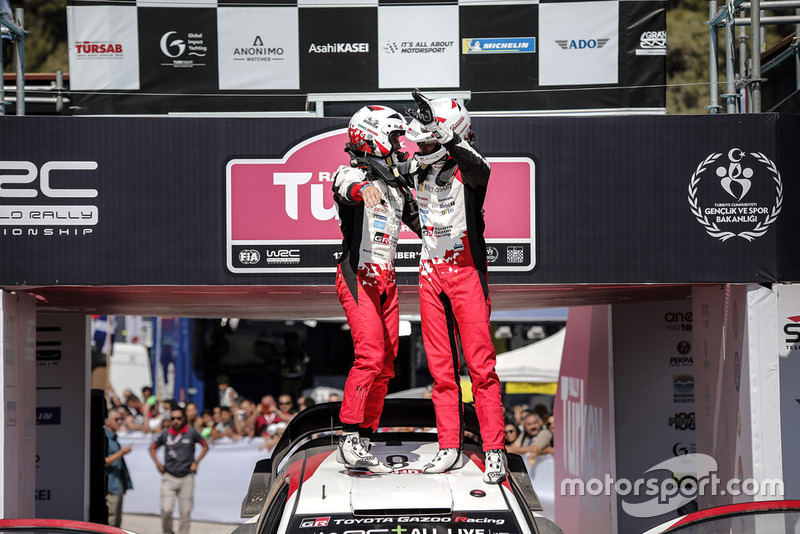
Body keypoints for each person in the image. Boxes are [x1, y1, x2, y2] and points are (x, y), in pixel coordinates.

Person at [404, 90, 506, 484]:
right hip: (430, 274)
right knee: (442, 371)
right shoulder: (418, 170)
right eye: (422, 140)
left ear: (450, 133)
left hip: (466, 273)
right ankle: (449, 446)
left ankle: (494, 449)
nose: (422, 145)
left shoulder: (472, 169)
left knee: (481, 367)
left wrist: (445, 136)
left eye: (429, 139)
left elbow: (481, 168)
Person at [332, 105, 420, 473]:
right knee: (369, 356)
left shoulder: (398, 183)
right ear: (372, 137)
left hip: (387, 278)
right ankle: (348, 437)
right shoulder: (350, 172)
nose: (400, 144)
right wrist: (363, 188)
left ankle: (366, 437)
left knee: (386, 366)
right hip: (357, 276)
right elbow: (345, 188)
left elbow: (425, 222)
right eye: (395, 136)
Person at [149, 404, 209, 534]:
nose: (176, 421)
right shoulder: (165, 434)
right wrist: (158, 463)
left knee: (185, 512)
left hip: (186, 476)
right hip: (169, 476)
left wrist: (196, 462)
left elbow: (205, 446)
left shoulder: (191, 432)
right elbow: (152, 448)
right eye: (173, 418)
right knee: (166, 510)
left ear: (183, 419)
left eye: (179, 418)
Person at [104, 408, 133, 528]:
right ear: (107, 421)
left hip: (117, 486)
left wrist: (124, 485)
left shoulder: (113, 438)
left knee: (116, 523)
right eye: (116, 419)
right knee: (111, 522)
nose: (120, 422)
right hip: (110, 487)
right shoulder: (104, 438)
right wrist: (121, 452)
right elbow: (104, 461)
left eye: (121, 419)